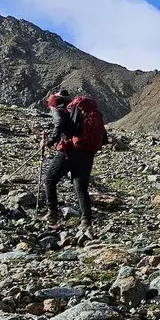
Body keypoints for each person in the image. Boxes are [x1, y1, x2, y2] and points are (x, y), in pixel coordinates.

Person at [43, 91, 105, 236]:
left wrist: (50, 142)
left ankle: (52, 216)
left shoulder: (58, 109)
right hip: (88, 153)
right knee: (80, 187)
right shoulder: (80, 111)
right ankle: (86, 221)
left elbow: (59, 124)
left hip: (70, 151)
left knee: (49, 179)